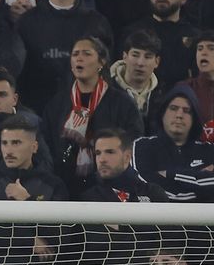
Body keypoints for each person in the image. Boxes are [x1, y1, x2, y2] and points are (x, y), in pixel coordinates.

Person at [41, 36, 143, 193]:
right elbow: (46, 143)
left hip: (108, 187)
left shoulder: (122, 103)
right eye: (75, 54)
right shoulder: (57, 104)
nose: (79, 58)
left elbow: (134, 141)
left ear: (101, 62)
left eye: (87, 54)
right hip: (65, 185)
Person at [133, 89, 214, 202]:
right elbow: (144, 185)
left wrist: (171, 174)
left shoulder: (211, 150)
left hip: (203, 213)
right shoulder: (142, 146)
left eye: (186, 111)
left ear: (194, 118)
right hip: (158, 213)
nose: (179, 115)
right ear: (162, 113)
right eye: (173, 108)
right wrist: (200, 182)